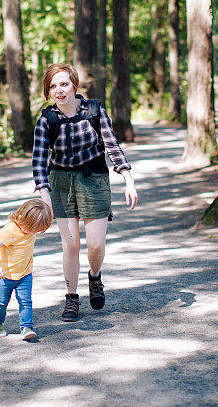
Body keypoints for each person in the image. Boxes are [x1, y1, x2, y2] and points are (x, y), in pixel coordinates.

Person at [32, 63, 139, 322]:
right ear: (48, 91)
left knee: (95, 245)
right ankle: (71, 298)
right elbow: (39, 159)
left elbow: (111, 144)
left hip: (93, 178)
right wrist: (44, 192)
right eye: (53, 86)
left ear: (74, 86)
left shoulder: (94, 110)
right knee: (70, 245)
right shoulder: (47, 120)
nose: (59, 90)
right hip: (61, 182)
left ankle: (95, 277)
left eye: (64, 84)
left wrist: (128, 178)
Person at [0, 198, 53, 340]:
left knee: (25, 301)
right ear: (23, 219)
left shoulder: (33, 226)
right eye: (31, 229)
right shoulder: (10, 229)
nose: (32, 233)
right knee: (1, 302)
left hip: (24, 274)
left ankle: (26, 327)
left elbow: (44, 214)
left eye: (36, 231)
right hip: (5, 275)